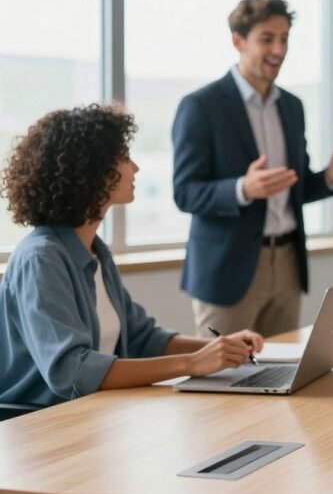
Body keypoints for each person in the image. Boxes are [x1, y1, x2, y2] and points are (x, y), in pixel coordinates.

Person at [0, 105, 263, 407]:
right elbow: (72, 371)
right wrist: (191, 363)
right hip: (41, 424)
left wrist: (220, 349)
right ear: (93, 171)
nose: (135, 168)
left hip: (94, 412)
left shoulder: (94, 250)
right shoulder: (41, 259)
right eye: (124, 157)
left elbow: (142, 338)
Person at [172, 0, 333, 337]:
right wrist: (242, 189)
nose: (279, 49)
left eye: (285, 39)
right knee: (222, 380)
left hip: (287, 264)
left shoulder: (292, 107)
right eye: (267, 39)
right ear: (238, 39)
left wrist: (329, 176)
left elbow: (293, 188)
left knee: (283, 373)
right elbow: (185, 192)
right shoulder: (201, 106)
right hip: (228, 270)